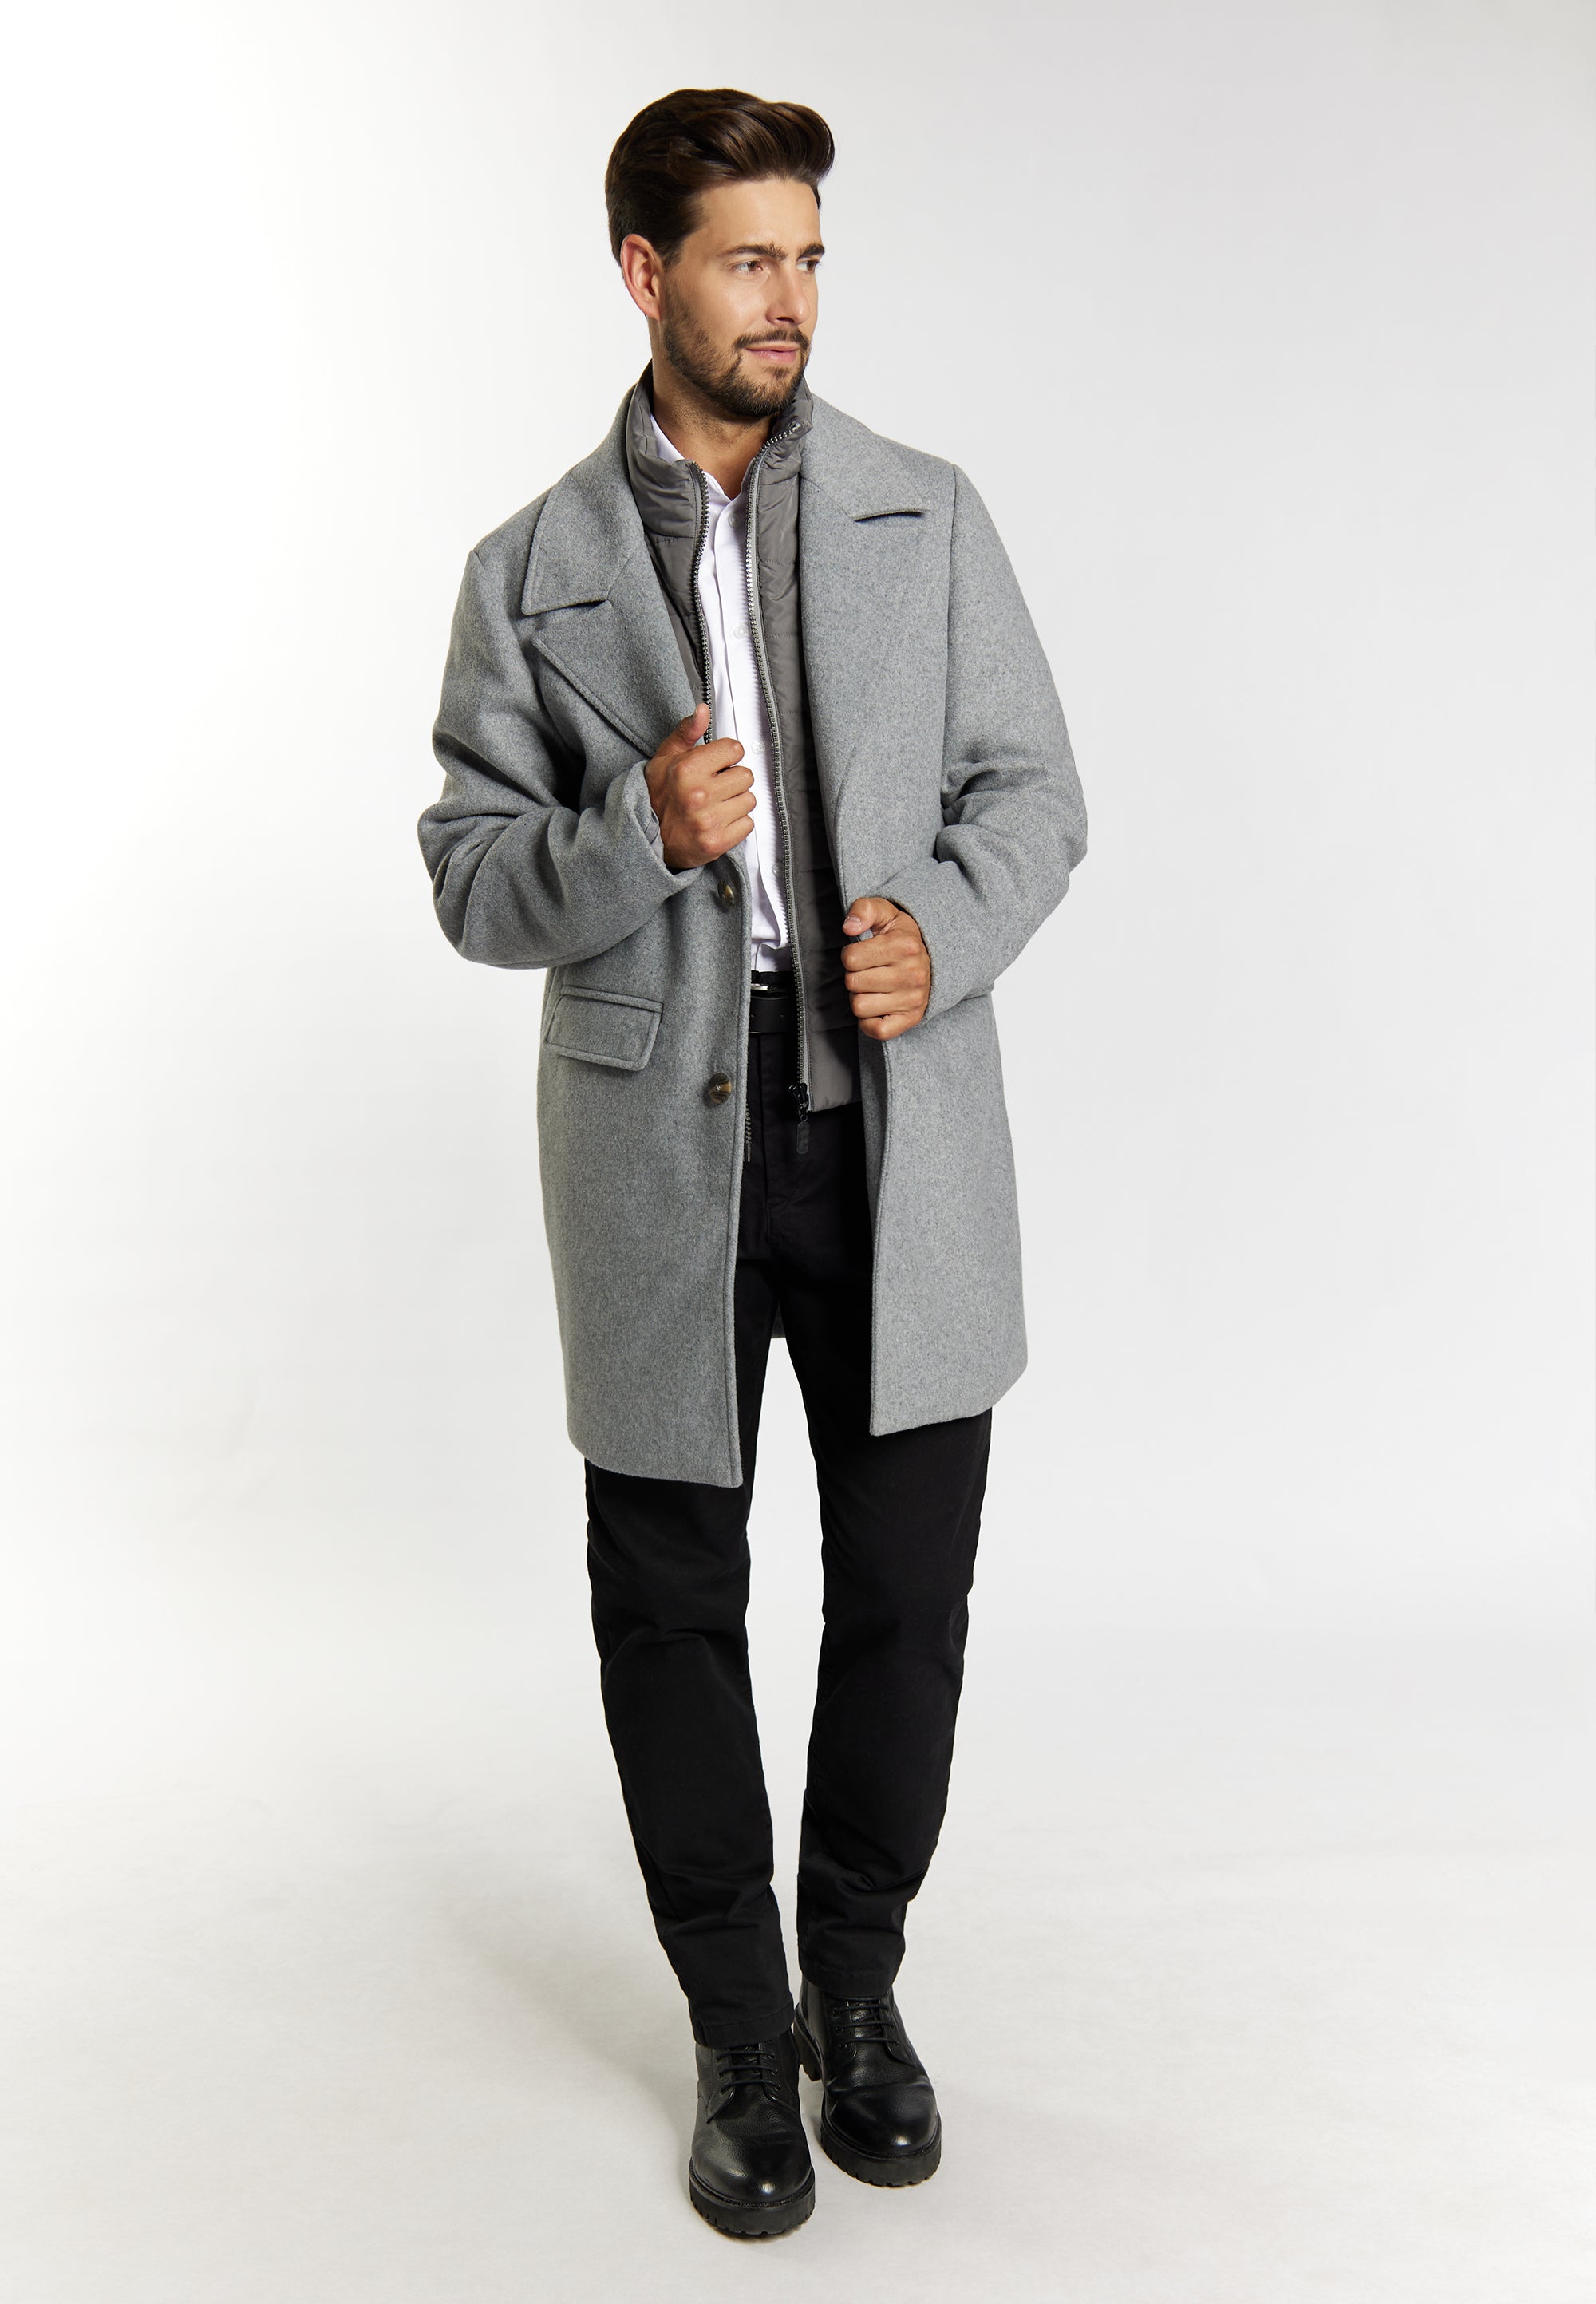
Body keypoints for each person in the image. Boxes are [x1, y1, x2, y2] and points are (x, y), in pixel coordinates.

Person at [418, 86, 1086, 2239]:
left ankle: (855, 1989)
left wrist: (940, 933)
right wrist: (636, 831)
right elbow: (471, 877)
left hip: (894, 1127)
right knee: (670, 1601)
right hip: (659, 1150)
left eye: (806, 257)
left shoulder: (927, 514)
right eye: (745, 260)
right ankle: (734, 2026)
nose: (788, 299)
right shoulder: (529, 571)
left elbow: (1036, 794)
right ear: (647, 275)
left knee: (906, 1592)